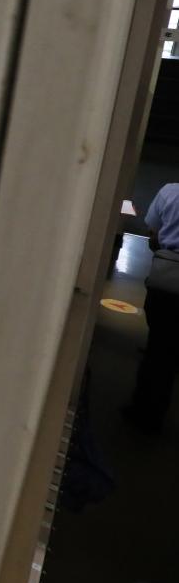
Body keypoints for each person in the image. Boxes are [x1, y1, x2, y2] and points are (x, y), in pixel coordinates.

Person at [125, 183, 179, 432]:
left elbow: (153, 234)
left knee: (158, 349)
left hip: (166, 283)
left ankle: (144, 411)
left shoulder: (170, 191)